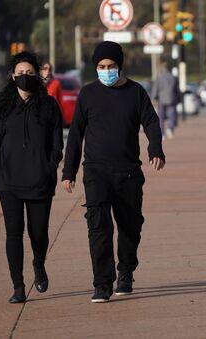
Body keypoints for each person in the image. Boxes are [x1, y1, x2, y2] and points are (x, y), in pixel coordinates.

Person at [62, 41, 166, 303]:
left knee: (130, 227)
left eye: (110, 66)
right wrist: (69, 171)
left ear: (119, 67)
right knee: (98, 227)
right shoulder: (87, 94)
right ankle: (101, 283)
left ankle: (126, 271)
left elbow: (151, 122)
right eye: (101, 67)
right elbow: (76, 134)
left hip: (128, 172)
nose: (106, 70)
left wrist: (155, 149)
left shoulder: (136, 92)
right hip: (96, 171)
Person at [0, 51, 64, 303]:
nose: (25, 77)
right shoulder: (4, 107)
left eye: (29, 73)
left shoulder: (49, 106)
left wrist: (48, 168)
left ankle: (39, 264)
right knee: (13, 233)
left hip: (40, 181)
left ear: (37, 75)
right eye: (20, 73)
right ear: (12, 76)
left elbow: (57, 145)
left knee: (38, 233)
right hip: (9, 182)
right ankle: (18, 286)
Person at [151, 63, 181, 139]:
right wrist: (179, 99)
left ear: (161, 69)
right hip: (171, 99)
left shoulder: (159, 78)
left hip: (162, 100)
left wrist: (153, 98)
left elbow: (155, 89)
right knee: (172, 115)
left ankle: (162, 134)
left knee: (161, 117)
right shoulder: (173, 77)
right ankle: (170, 128)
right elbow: (177, 90)